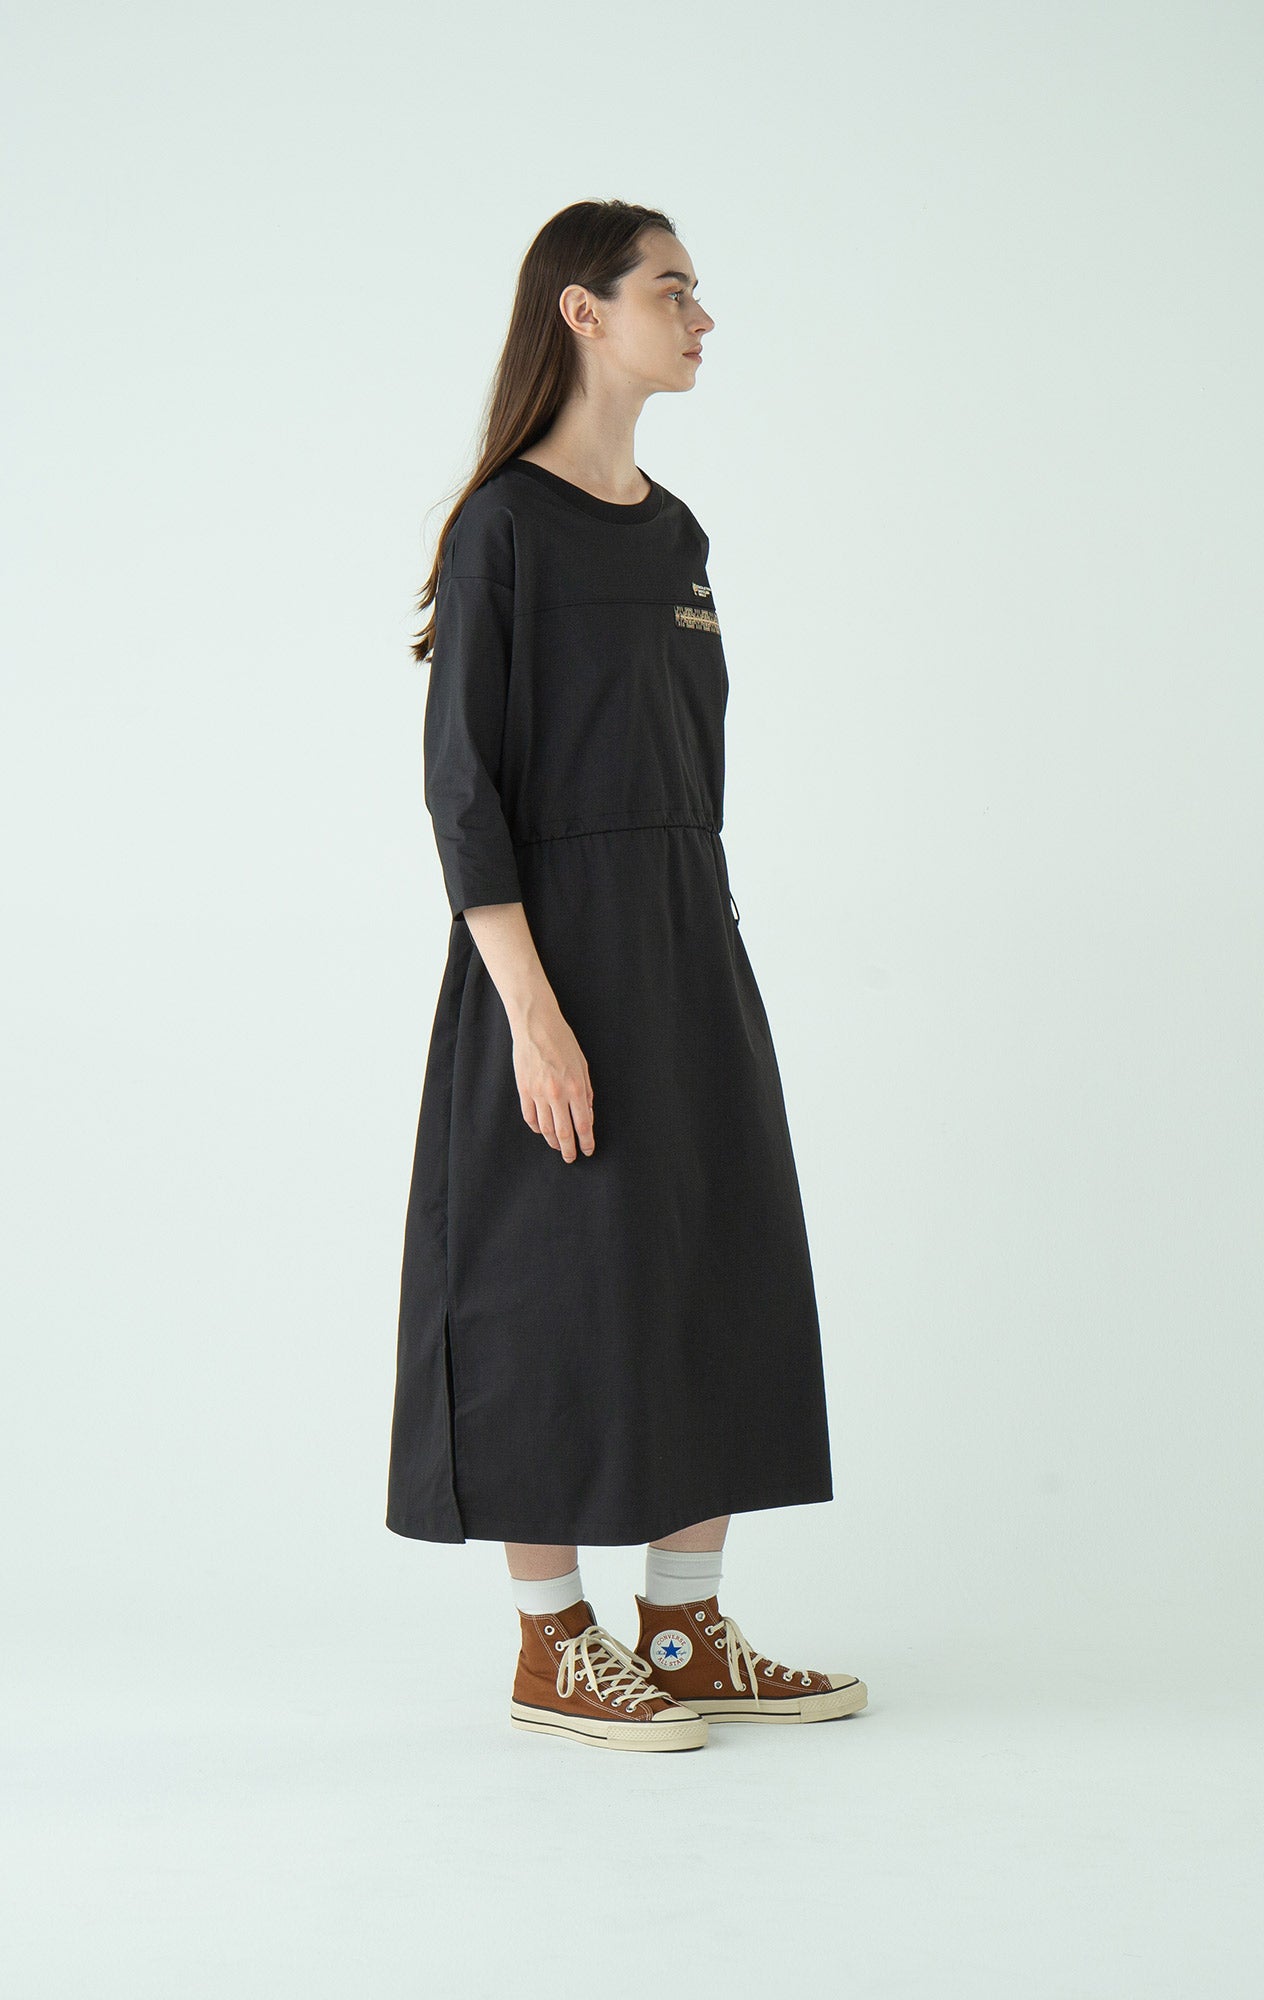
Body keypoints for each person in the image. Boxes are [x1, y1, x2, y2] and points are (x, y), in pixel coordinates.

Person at [385, 200, 867, 1752]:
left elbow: (688, 763)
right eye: (675, 290)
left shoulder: (675, 533)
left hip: (684, 936)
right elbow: (465, 791)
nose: (703, 317)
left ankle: (684, 1626)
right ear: (583, 313)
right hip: (549, 949)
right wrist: (534, 1016)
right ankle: (554, 1643)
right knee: (549, 1283)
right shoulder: (504, 530)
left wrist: (696, 943)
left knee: (710, 1257)